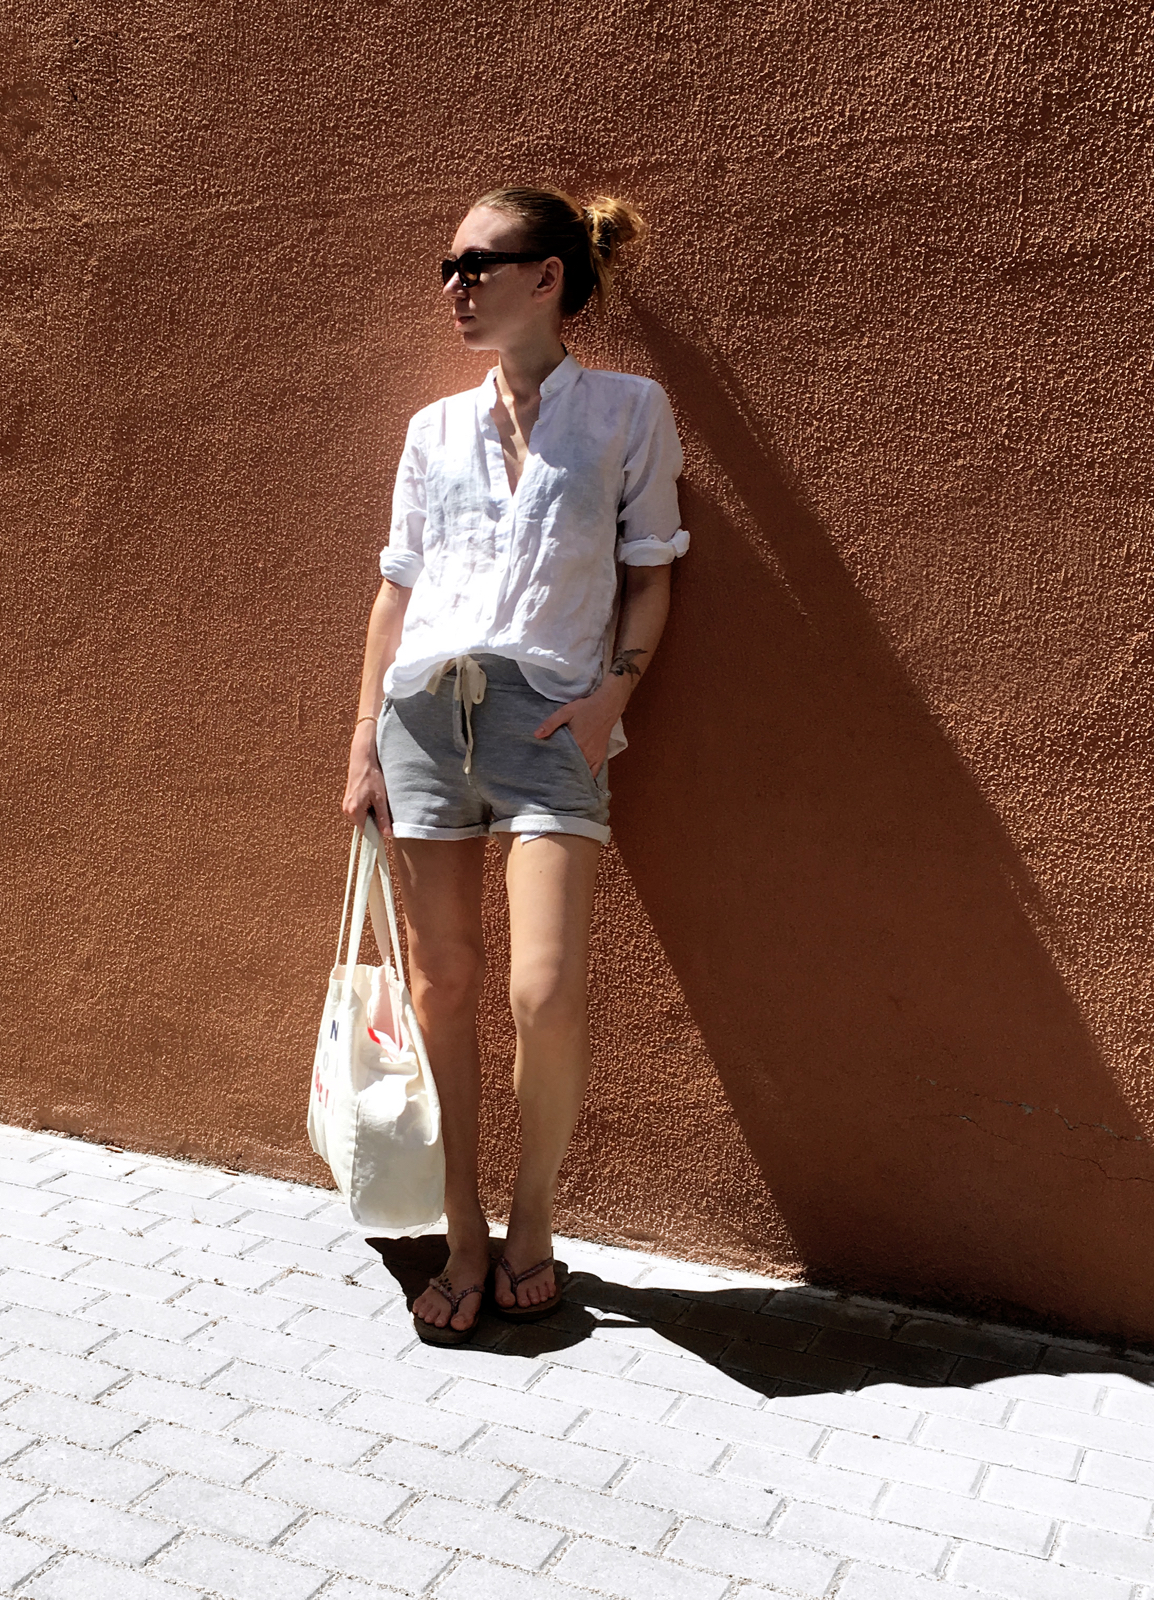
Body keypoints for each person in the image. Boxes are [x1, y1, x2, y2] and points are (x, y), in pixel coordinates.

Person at [341, 186, 689, 1344]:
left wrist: (609, 703)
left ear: (548, 275)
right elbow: (396, 587)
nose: (454, 284)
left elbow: (650, 569)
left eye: (476, 264)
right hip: (425, 718)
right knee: (443, 983)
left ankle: (532, 1220)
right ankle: (460, 1229)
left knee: (542, 990)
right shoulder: (432, 429)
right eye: (448, 264)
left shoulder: (629, 411)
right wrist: (362, 744)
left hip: (550, 726)